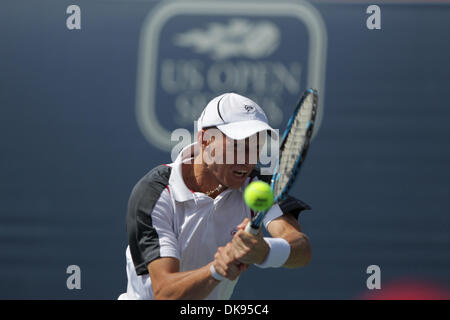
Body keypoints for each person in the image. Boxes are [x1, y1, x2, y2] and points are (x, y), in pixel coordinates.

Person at [118, 93, 312, 300]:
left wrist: (265, 251)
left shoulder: (259, 186)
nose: (247, 160)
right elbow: (165, 293)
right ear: (205, 140)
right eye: (237, 146)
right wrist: (217, 269)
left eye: (256, 148)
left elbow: (301, 248)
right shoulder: (155, 193)